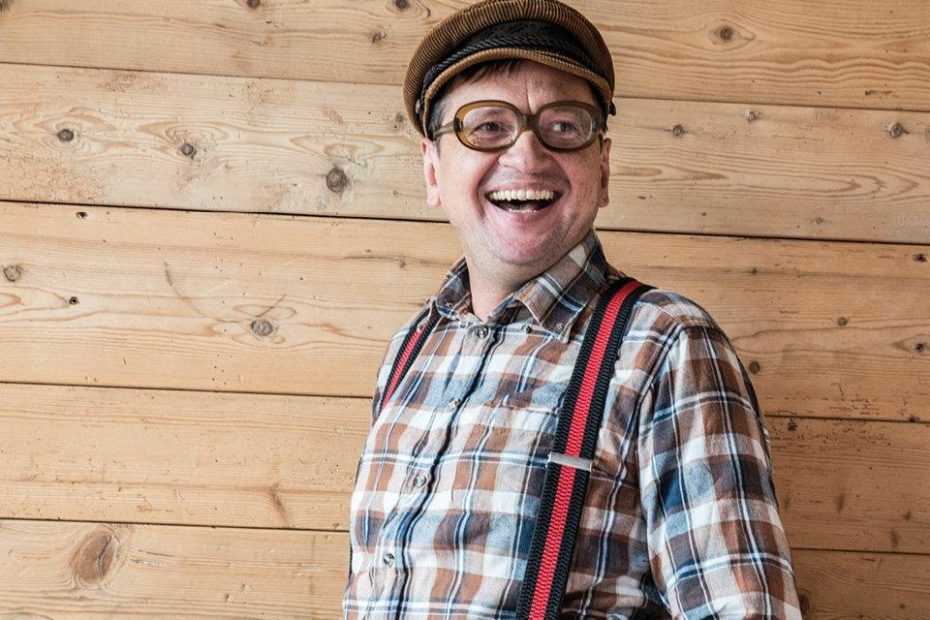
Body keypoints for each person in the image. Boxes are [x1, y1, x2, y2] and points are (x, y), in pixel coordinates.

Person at [343, 0, 801, 617]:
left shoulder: (666, 345)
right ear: (433, 170)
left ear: (601, 169)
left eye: (563, 126)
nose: (527, 156)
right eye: (487, 127)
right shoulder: (411, 349)